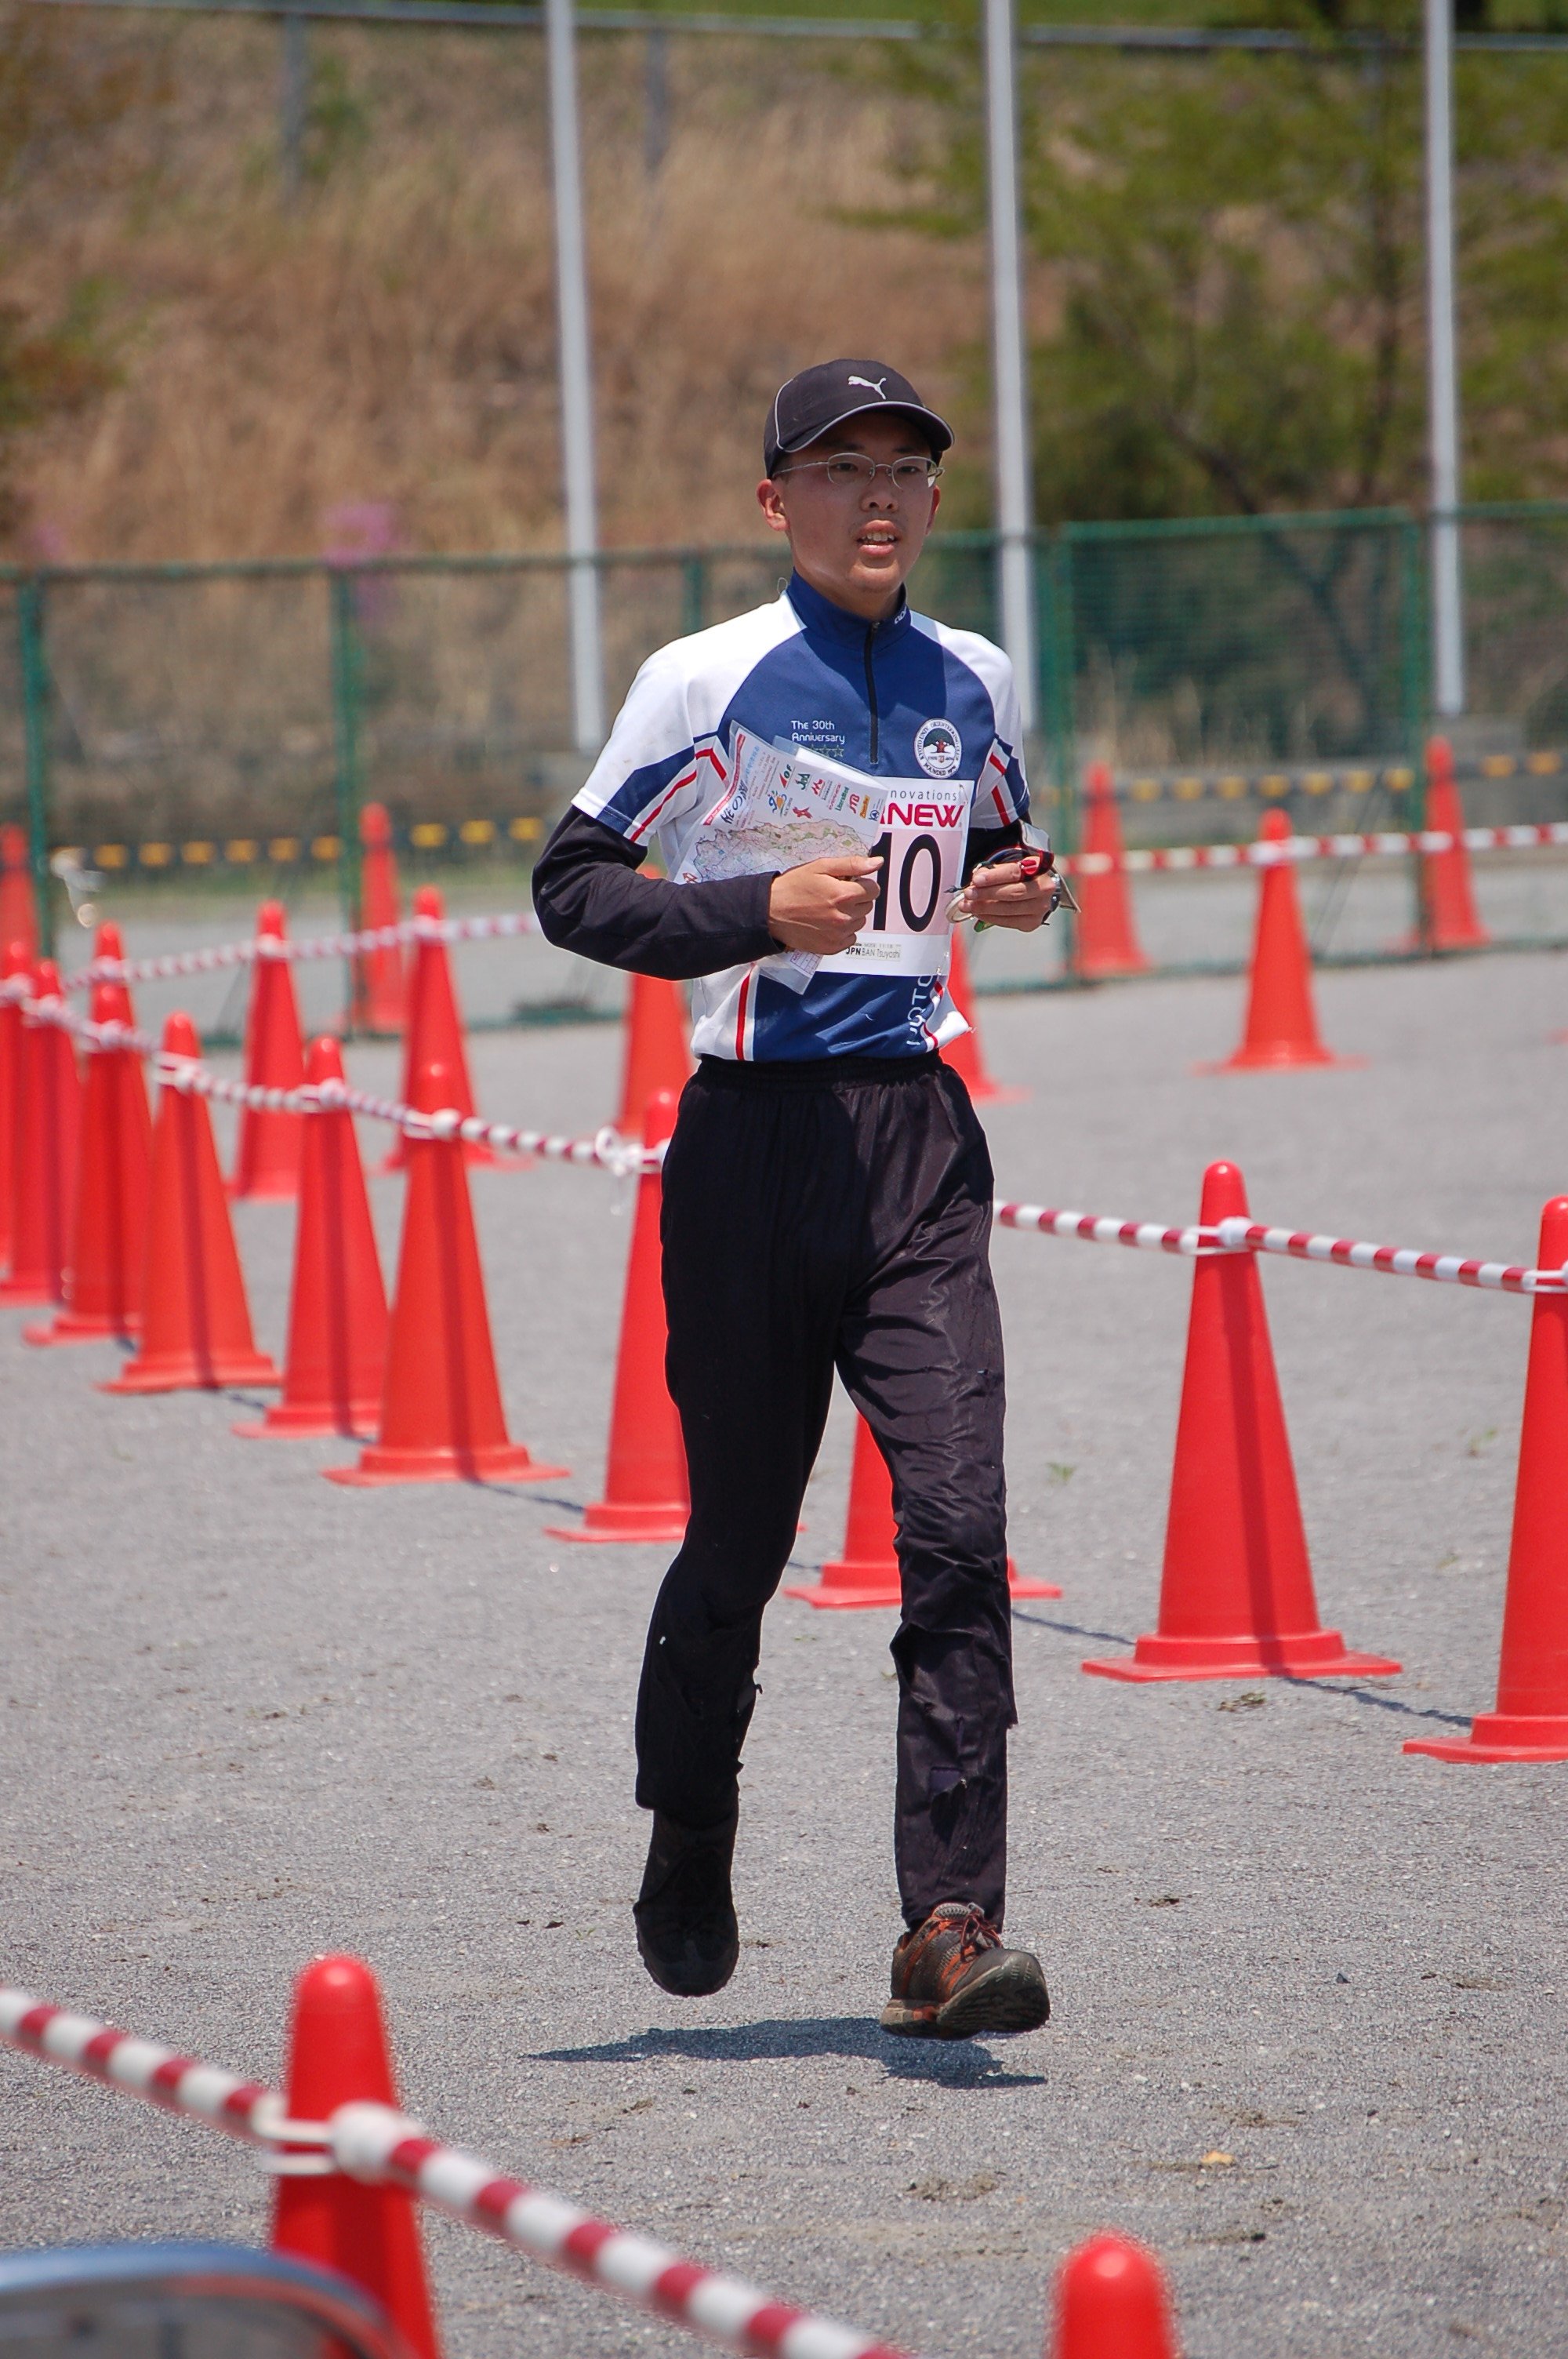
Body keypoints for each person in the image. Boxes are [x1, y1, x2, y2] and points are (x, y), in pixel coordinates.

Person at [533, 359, 1058, 2040]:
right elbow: (571, 887)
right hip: (749, 1153)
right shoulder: (703, 678)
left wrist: (1021, 889)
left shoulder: (976, 677)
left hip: (917, 1144)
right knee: (738, 1549)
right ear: (778, 501)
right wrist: (756, 909)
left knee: (959, 1527)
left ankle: (950, 1925)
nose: (879, 497)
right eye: (842, 469)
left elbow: (997, 845)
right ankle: (690, 1830)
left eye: (905, 468)